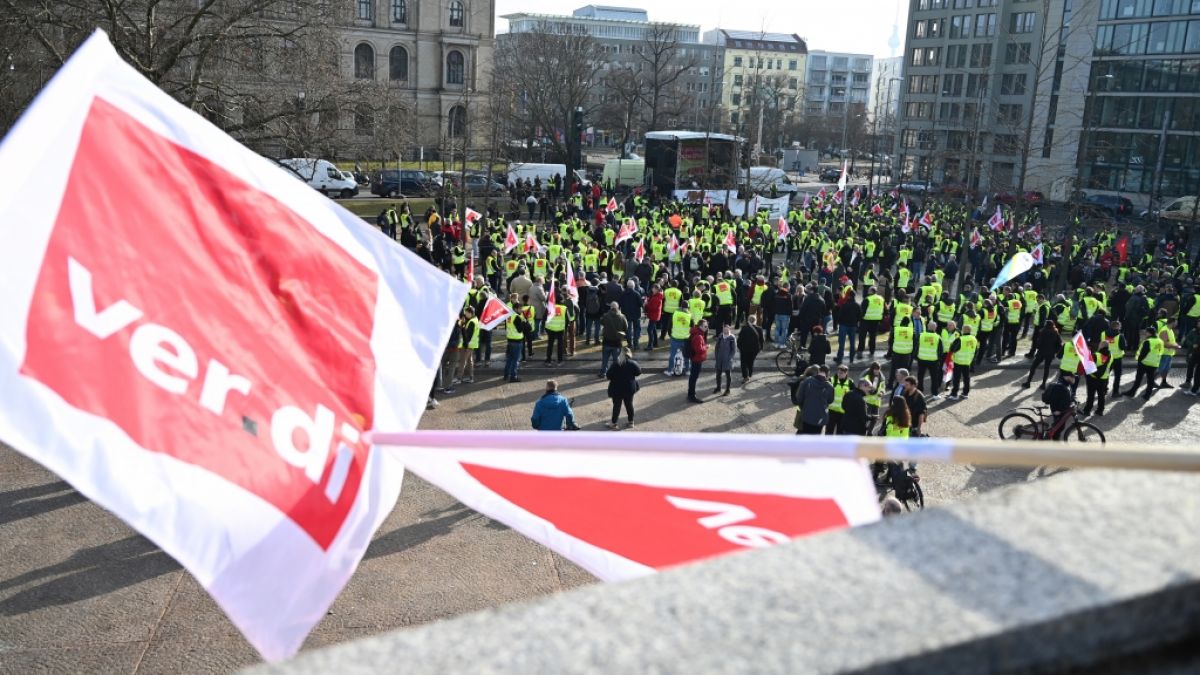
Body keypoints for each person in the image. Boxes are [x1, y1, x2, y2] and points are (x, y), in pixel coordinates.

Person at [605, 347, 641, 429]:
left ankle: (614, 423)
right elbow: (638, 372)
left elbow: (608, 376)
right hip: (629, 388)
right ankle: (631, 422)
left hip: (616, 389)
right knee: (629, 405)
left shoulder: (615, 364)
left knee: (617, 406)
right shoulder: (633, 364)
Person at [793, 365, 833, 434]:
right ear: (828, 373)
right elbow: (830, 401)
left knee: (804, 435)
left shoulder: (807, 381)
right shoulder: (829, 386)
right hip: (820, 418)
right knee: (815, 439)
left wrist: (804, 408)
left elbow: (799, 398)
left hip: (807, 416)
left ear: (819, 371)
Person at [1023, 321, 1061, 389]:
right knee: (1047, 368)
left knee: (1033, 367)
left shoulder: (1043, 332)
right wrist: (1055, 352)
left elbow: (1038, 343)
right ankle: (1043, 384)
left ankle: (1028, 382)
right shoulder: (1056, 333)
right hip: (1050, 354)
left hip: (1041, 352)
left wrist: (1038, 347)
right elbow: (1059, 344)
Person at [946, 325, 978, 400]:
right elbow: (976, 350)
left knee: (956, 379)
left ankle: (954, 394)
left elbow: (952, 349)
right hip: (967, 361)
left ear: (963, 330)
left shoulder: (960, 339)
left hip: (958, 361)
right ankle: (965, 393)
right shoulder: (974, 339)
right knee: (966, 378)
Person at [1081, 340, 1112, 416]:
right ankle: (1100, 410)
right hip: (1104, 378)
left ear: (1101, 346)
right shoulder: (1111, 355)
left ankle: (1087, 410)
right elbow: (1110, 367)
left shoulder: (1095, 355)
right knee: (1101, 395)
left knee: (1091, 395)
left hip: (1093, 378)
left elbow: (1089, 367)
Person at [599, 301, 628, 378]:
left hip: (607, 341)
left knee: (605, 359)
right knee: (616, 360)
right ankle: (617, 373)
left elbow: (601, 322)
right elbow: (626, 327)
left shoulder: (606, 316)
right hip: (617, 342)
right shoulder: (622, 317)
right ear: (618, 308)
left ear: (610, 307)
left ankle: (603, 372)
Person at [1042, 373, 1076, 438]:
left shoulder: (1066, 383)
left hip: (1062, 409)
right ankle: (1055, 441)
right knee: (1058, 428)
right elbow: (1054, 400)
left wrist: (1073, 400)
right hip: (1059, 410)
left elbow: (1067, 395)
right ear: (1069, 377)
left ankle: (1054, 437)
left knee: (1059, 426)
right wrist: (1055, 410)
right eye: (1074, 378)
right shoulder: (1059, 386)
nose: (1075, 380)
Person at [825, 364, 854, 434]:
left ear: (846, 373)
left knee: (840, 432)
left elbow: (854, 396)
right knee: (829, 431)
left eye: (841, 373)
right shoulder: (831, 380)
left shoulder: (850, 383)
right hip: (831, 411)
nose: (839, 374)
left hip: (843, 412)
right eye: (838, 372)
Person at [687, 319, 710, 403]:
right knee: (694, 377)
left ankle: (691, 394)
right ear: (700, 326)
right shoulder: (699, 336)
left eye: (707, 326)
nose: (707, 328)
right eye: (705, 326)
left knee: (693, 377)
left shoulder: (697, 333)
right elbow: (699, 350)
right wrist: (706, 347)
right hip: (697, 359)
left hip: (695, 358)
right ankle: (692, 395)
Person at [737, 315, 765, 382]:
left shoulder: (744, 328)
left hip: (744, 349)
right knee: (751, 361)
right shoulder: (759, 329)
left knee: (744, 363)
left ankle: (745, 376)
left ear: (748, 321)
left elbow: (740, 339)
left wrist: (739, 347)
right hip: (755, 349)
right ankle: (750, 373)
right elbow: (762, 340)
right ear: (755, 321)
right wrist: (761, 348)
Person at [713, 323, 736, 396]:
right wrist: (716, 356)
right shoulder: (720, 336)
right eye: (724, 329)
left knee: (728, 375)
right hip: (719, 359)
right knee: (718, 374)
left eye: (727, 329)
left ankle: (727, 390)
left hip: (727, 360)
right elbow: (716, 348)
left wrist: (730, 358)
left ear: (729, 329)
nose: (725, 330)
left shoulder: (732, 338)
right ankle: (718, 388)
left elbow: (734, 350)